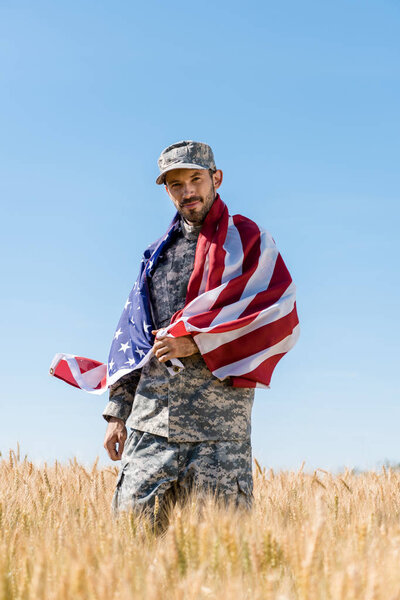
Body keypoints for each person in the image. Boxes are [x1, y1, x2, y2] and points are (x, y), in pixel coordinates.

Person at [101, 140, 298, 532]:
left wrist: (196, 343)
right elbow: (135, 338)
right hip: (152, 424)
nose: (187, 191)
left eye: (195, 179)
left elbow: (273, 314)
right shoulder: (156, 256)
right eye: (176, 184)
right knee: (128, 543)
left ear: (216, 179)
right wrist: (116, 413)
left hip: (218, 433)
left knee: (221, 556)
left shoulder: (247, 245)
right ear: (167, 191)